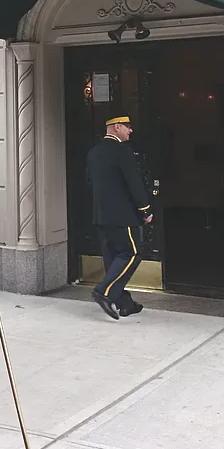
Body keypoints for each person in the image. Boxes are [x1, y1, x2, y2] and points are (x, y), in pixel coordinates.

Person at [84, 114, 153, 320]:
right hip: (123, 216)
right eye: (127, 126)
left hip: (101, 216)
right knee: (132, 253)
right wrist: (145, 209)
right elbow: (134, 182)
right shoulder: (122, 151)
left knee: (113, 258)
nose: (130, 130)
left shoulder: (94, 152)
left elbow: (88, 181)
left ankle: (124, 304)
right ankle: (104, 291)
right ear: (115, 127)